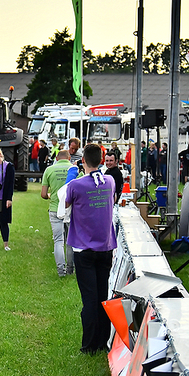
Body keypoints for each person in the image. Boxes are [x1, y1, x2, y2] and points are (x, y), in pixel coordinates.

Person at [65, 143, 117, 355]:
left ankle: (89, 344)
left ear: (83, 161)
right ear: (102, 160)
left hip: (84, 249)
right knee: (102, 295)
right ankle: (102, 340)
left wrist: (72, 175)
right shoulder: (110, 181)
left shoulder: (76, 185)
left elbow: (65, 203)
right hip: (105, 247)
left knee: (89, 299)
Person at [41, 150, 75, 277]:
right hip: (71, 209)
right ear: (69, 158)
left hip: (55, 208)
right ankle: (71, 268)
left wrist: (51, 196)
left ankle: (61, 271)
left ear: (57, 158)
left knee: (58, 240)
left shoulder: (49, 170)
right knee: (71, 240)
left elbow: (43, 194)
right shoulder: (75, 169)